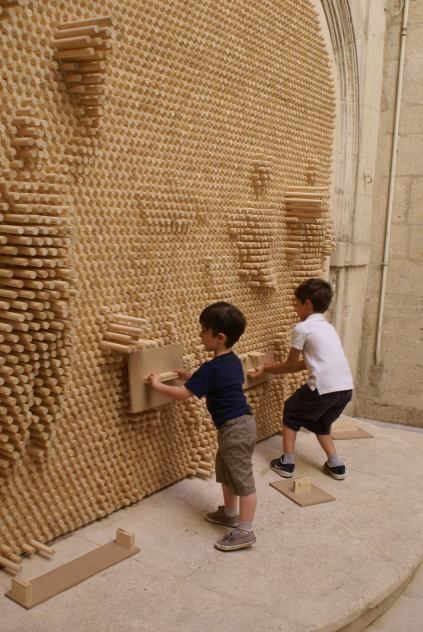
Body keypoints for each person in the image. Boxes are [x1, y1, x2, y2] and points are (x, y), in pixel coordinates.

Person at [148, 301, 257, 551]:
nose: (200, 335)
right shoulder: (231, 361)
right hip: (238, 426)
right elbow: (216, 381)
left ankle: (245, 531)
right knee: (226, 472)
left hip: (235, 428)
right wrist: (193, 376)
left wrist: (156, 385)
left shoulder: (212, 368)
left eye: (203, 331)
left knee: (243, 479)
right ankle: (231, 513)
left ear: (219, 337)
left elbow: (182, 395)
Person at [249, 278, 353, 480]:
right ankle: (336, 464)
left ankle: (286, 462)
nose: (295, 309)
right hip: (344, 389)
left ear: (307, 304)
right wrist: (269, 368)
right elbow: (305, 364)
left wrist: (265, 369)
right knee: (321, 423)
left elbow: (290, 364)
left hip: (322, 388)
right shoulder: (328, 328)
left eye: (297, 304)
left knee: (291, 411)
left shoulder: (302, 329)